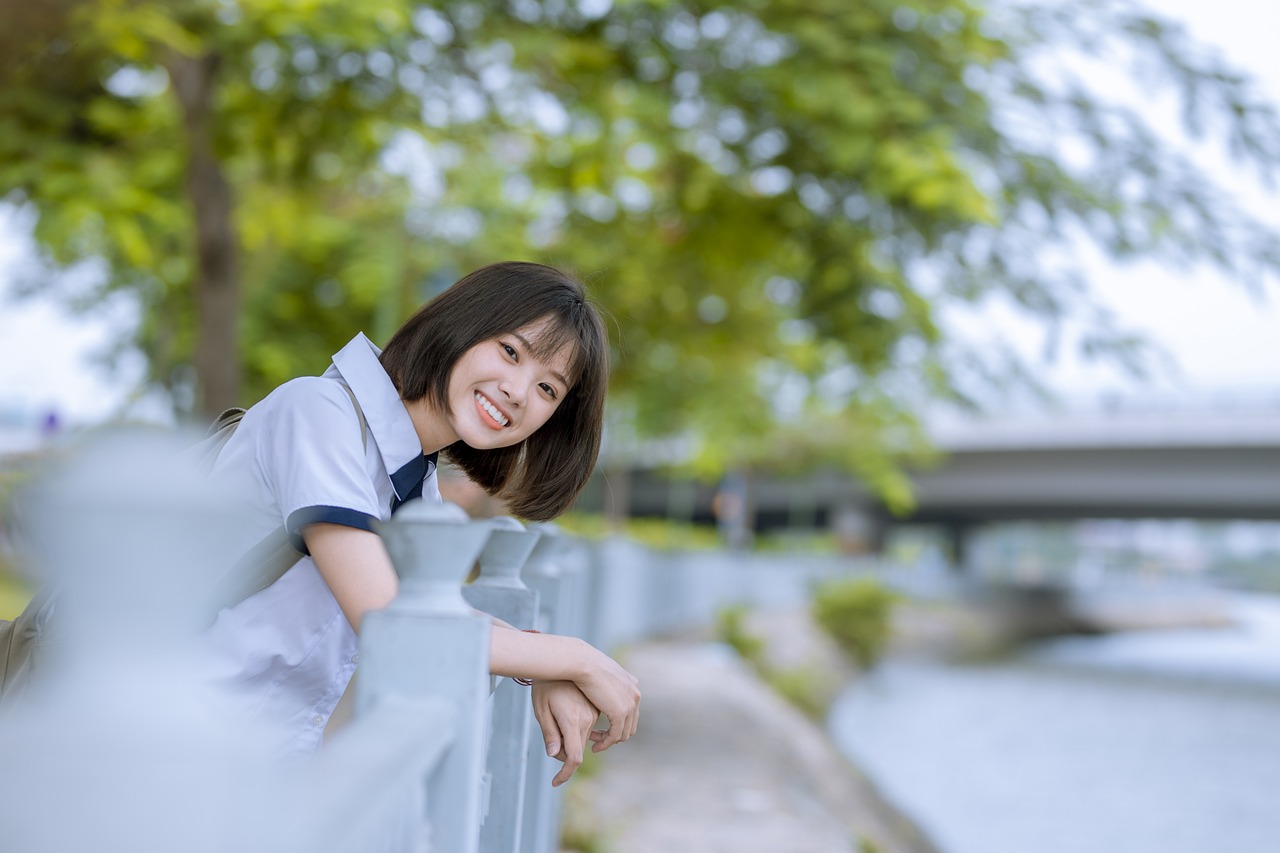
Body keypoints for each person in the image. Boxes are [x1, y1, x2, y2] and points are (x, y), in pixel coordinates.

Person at [201, 261, 639, 786]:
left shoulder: (414, 488)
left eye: (548, 389)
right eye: (510, 351)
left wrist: (543, 665)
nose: (519, 392)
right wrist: (571, 658)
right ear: (463, 324)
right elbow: (389, 618)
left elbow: (434, 614)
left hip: (248, 776)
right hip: (167, 756)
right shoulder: (319, 414)